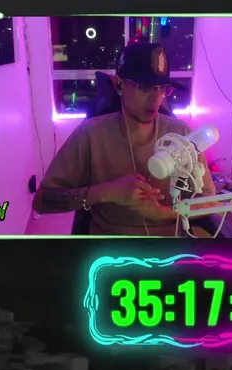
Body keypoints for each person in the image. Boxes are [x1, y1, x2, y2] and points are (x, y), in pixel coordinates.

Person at [33, 42, 215, 236]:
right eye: (145, 87)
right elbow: (42, 201)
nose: (156, 98)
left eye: (162, 88)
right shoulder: (90, 135)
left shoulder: (181, 134)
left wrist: (162, 213)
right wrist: (107, 192)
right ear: (119, 84)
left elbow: (210, 202)